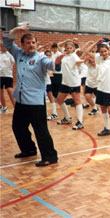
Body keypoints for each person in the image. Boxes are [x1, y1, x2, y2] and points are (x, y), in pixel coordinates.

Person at [2, 24, 58, 167]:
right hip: (21, 100)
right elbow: (7, 41)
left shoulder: (40, 58)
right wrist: (16, 30)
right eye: (28, 43)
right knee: (18, 127)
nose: (31, 45)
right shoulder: (18, 54)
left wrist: (57, 62)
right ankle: (29, 150)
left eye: (33, 42)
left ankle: (50, 157)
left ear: (37, 43)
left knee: (41, 130)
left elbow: (50, 65)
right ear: (22, 45)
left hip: (36, 102)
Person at [55, 41, 85, 130]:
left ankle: (80, 122)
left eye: (70, 48)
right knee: (59, 100)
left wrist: (84, 60)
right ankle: (67, 118)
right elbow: (57, 45)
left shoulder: (74, 56)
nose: (68, 50)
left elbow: (78, 62)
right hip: (65, 82)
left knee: (77, 101)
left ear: (73, 49)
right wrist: (67, 40)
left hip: (74, 82)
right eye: (67, 48)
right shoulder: (63, 55)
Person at [0, 40, 15, 113]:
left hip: (8, 75)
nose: (4, 48)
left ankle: (16, 108)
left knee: (10, 91)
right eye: (2, 46)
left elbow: (13, 62)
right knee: (0, 92)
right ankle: (4, 108)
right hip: (0, 75)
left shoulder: (10, 54)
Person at [44, 50, 58, 120]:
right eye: (47, 55)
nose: (48, 56)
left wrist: (50, 73)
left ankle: (55, 113)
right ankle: (45, 113)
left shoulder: (50, 62)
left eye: (49, 55)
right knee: (42, 98)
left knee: (50, 96)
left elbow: (50, 71)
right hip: (41, 83)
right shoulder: (42, 62)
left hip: (47, 82)